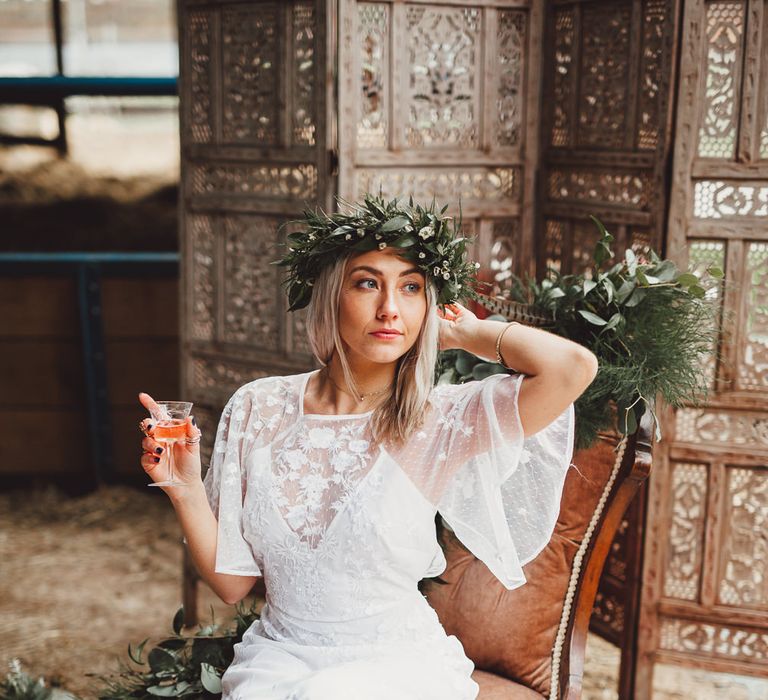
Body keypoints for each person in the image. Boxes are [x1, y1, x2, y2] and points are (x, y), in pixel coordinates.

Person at [138, 195, 597, 699]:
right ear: (331, 294)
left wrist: (468, 333)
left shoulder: (441, 419)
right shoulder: (258, 407)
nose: (389, 309)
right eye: (367, 283)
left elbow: (572, 369)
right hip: (279, 657)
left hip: (396, 666)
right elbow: (231, 585)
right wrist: (183, 489)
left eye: (411, 288)